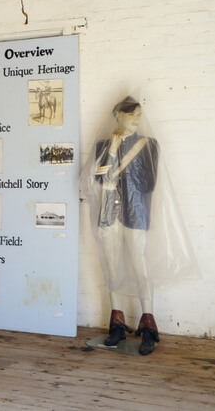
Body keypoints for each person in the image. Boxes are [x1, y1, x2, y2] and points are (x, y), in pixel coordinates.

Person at [92, 96, 160, 355]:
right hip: (109, 213)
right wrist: (113, 147)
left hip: (135, 213)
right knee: (111, 267)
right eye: (131, 115)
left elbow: (148, 184)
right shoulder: (103, 145)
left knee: (140, 267)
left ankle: (149, 322)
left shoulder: (148, 145)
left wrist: (117, 182)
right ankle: (118, 323)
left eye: (138, 116)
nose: (136, 120)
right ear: (118, 115)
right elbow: (100, 180)